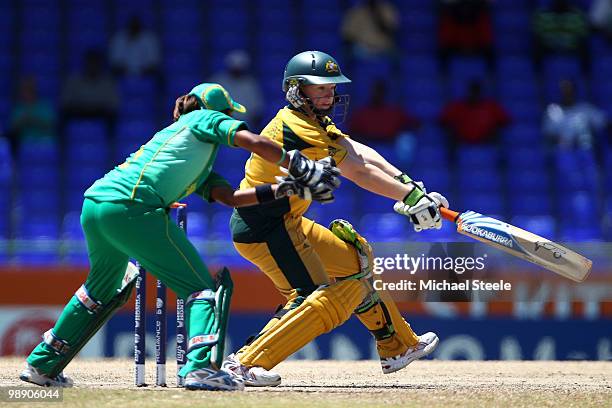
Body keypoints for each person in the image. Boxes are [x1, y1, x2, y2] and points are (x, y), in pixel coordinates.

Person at [19, 83, 340, 391]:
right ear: (219, 111)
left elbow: (231, 198)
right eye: (229, 114)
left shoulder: (185, 146)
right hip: (134, 209)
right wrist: (298, 164)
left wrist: (287, 189)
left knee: (98, 291)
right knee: (202, 291)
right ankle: (199, 369)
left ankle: (42, 364)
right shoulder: (203, 118)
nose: (230, 120)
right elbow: (253, 142)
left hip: (96, 206)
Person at [220, 51, 447, 387]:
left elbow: (358, 151)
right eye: (320, 88)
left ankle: (396, 347)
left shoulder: (315, 121)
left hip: (289, 224)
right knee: (318, 295)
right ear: (297, 89)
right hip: (265, 228)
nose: (329, 94)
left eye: (331, 88)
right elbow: (356, 171)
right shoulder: (295, 129)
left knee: (356, 261)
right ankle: (242, 364)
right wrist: (409, 198)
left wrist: (409, 186)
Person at [439, 79, 510, 148]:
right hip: (460, 144)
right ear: (468, 92)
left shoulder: (491, 106)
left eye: (477, 92)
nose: (475, 95)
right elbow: (442, 121)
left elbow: (505, 121)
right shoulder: (456, 106)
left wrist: (492, 133)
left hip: (487, 143)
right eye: (473, 91)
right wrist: (455, 133)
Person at [60, 49, 118, 131]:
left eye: (95, 64)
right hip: (78, 112)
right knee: (64, 114)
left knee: (112, 116)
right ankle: (64, 142)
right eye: (90, 63)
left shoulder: (108, 82)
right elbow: (65, 102)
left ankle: (111, 142)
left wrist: (96, 107)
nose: (92, 67)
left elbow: (114, 104)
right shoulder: (74, 81)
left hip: (100, 113)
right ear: (85, 65)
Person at [542, 79, 609, 150]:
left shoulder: (585, 108)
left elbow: (605, 123)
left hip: (587, 150)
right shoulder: (553, 110)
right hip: (563, 153)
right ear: (560, 92)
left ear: (574, 91)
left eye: (570, 90)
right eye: (564, 90)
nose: (567, 93)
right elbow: (548, 134)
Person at [347, 79, 420, 143]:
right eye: (376, 91)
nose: (377, 95)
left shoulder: (394, 112)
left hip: (390, 147)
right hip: (367, 148)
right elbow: (352, 132)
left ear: (384, 93)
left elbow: (413, 124)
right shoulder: (361, 112)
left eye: (380, 92)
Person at [209, 50, 264, 129]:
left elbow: (257, 108)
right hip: (221, 123)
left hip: (244, 125)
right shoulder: (217, 81)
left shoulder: (251, 84)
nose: (236, 71)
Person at [532, 0, 589, 71]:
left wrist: (569, 39)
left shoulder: (577, 14)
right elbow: (538, 32)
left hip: (570, 44)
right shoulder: (542, 14)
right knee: (536, 44)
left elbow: (582, 32)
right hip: (550, 44)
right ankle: (538, 76)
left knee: (584, 45)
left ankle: (586, 76)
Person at [437, 0, 495, 71]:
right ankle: (443, 73)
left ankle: (491, 74)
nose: (465, 10)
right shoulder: (450, 15)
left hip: (475, 40)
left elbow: (486, 37)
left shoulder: (480, 15)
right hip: (456, 40)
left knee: (489, 50)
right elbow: (446, 37)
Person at [8, 76, 57, 155]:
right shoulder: (18, 108)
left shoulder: (45, 106)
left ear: (35, 90)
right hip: (25, 144)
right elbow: (13, 129)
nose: (27, 92)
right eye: (25, 89)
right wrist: (24, 120)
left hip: (46, 143)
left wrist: (33, 119)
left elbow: (52, 125)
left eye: (30, 89)